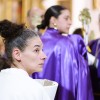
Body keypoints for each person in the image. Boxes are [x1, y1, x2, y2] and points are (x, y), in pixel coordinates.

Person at [33, 5, 94, 100]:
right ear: (53, 20)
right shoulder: (67, 43)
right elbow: (76, 77)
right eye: (66, 18)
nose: (70, 22)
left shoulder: (36, 41)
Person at [0, 19, 51, 100]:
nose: (44, 56)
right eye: (36, 50)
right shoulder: (34, 89)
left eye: (42, 50)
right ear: (17, 54)